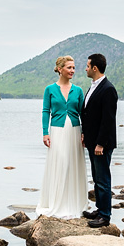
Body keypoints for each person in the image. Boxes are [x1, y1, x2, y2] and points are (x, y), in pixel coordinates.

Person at [36, 56, 88, 219]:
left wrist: (84, 132)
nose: (72, 70)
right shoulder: (49, 89)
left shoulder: (78, 90)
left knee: (73, 164)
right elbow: (46, 111)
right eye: (69, 67)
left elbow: (82, 113)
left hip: (74, 130)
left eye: (74, 68)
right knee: (59, 163)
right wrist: (45, 132)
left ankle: (74, 203)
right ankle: (56, 202)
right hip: (57, 131)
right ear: (60, 69)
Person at [81, 53, 118, 228]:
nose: (86, 68)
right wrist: (84, 135)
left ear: (95, 68)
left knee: (103, 180)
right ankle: (99, 208)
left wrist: (100, 143)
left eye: (87, 66)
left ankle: (105, 216)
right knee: (97, 178)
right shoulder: (94, 86)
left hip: (101, 144)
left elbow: (108, 119)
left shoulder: (108, 89)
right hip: (92, 141)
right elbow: (89, 115)